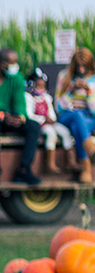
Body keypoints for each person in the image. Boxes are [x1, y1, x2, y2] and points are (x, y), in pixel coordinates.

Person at [0, 48, 42, 185]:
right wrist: (1, 115)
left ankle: (24, 169)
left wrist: (20, 117)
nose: (15, 66)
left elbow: (20, 102)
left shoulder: (17, 78)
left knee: (34, 126)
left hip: (10, 117)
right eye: (12, 63)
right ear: (2, 64)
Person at [55, 48, 95, 182]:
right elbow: (58, 107)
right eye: (78, 66)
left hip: (89, 117)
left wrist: (89, 93)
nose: (81, 70)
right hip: (67, 115)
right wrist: (71, 91)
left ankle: (86, 168)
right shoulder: (64, 76)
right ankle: (89, 148)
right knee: (77, 116)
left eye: (85, 66)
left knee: (77, 125)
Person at [25, 69, 75, 174]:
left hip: (51, 123)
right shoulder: (28, 98)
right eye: (38, 86)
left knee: (65, 132)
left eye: (42, 86)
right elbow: (29, 115)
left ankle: (70, 162)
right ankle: (50, 164)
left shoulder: (47, 98)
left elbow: (51, 112)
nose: (40, 89)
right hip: (41, 124)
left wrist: (51, 118)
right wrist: (43, 119)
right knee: (51, 134)